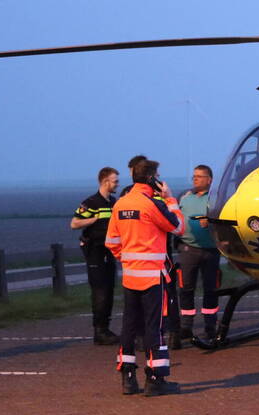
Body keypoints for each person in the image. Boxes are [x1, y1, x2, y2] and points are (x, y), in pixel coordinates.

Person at [105, 159, 185, 397]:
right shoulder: (152, 205)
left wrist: (129, 261)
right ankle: (155, 379)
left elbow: (112, 243)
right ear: (152, 178)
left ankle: (127, 378)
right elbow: (178, 226)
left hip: (130, 276)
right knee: (154, 327)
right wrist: (170, 199)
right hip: (152, 277)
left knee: (129, 326)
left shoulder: (120, 204)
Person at [70, 166, 120, 345]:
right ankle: (99, 331)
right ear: (105, 181)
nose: (117, 184)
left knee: (109, 289)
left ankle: (105, 328)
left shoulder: (114, 202)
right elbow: (74, 223)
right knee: (100, 291)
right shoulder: (91, 202)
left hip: (110, 250)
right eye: (115, 181)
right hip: (95, 252)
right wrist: (94, 220)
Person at [176, 165, 221, 342]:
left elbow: (223, 220)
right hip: (188, 249)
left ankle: (210, 327)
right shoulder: (185, 198)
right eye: (194, 176)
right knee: (186, 288)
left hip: (210, 250)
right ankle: (186, 327)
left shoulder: (216, 198)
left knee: (211, 289)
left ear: (209, 180)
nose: (195, 179)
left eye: (200, 176)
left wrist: (209, 223)